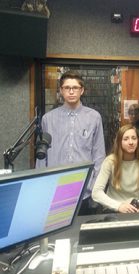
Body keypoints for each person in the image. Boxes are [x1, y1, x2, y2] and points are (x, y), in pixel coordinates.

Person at [36, 70, 106, 214]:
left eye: (75, 88)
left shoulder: (94, 117)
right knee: (56, 234)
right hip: (55, 191)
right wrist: (42, 186)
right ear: (61, 90)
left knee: (82, 233)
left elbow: (99, 155)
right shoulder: (48, 119)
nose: (71, 91)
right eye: (67, 88)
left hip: (84, 191)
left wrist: (94, 187)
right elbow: (42, 157)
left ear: (82, 90)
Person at [92, 124, 139, 213]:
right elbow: (96, 193)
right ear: (119, 142)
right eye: (126, 139)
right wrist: (118, 206)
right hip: (114, 209)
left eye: (134, 138)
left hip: (138, 209)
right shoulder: (110, 161)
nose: (131, 142)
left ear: (138, 141)